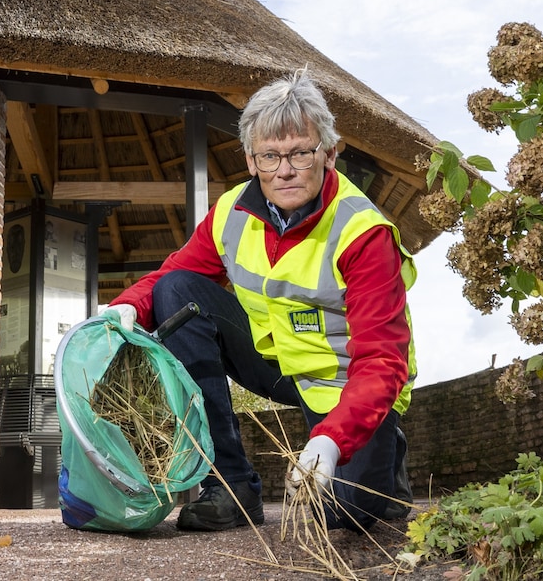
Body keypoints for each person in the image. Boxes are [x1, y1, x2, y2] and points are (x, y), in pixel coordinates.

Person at [104, 69, 416, 532]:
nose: (284, 170)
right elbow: (174, 274)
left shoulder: (364, 233)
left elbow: (383, 361)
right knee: (177, 292)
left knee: (343, 516)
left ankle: (384, 465)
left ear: (329, 154)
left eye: (300, 153)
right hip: (273, 364)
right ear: (251, 160)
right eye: (270, 156)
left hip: (345, 380)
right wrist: (127, 306)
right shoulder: (231, 211)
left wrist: (331, 440)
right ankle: (229, 488)